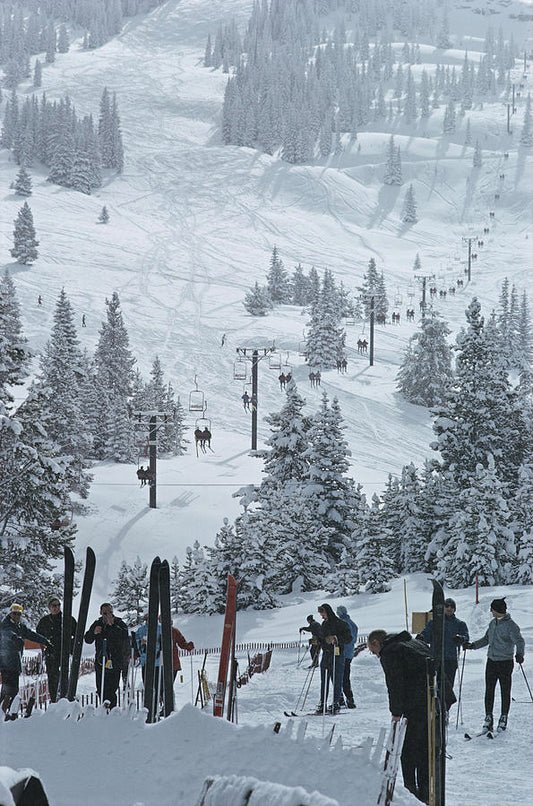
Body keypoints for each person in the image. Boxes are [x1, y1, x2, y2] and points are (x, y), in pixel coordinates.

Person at [367, 629, 433, 805]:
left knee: (409, 751)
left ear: (376, 643)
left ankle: (411, 792)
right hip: (431, 702)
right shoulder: (412, 643)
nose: (376, 656)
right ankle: (425, 793)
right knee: (425, 749)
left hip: (414, 705)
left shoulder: (391, 652)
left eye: (373, 652)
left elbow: (395, 684)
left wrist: (396, 713)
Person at [464, 597, 525, 733]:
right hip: (491, 661)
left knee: (505, 690)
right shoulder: (493, 623)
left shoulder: (511, 625)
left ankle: (503, 717)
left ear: (497, 610)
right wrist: (473, 645)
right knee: (489, 690)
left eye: (492, 609)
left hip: (505, 662)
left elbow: (520, 641)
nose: (491, 612)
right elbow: (486, 639)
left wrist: (520, 654)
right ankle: (488, 717)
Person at [0, 604, 50, 715]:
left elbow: (32, 635)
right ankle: (3, 711)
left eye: (19, 614)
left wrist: (45, 642)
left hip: (15, 663)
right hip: (6, 662)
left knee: (14, 689)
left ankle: (9, 712)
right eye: (15, 613)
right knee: (7, 689)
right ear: (10, 613)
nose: (17, 616)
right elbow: (6, 634)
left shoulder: (20, 627)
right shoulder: (5, 625)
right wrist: (15, 638)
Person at [418, 597, 469, 692]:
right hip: (435, 658)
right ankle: (436, 705)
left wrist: (461, 639)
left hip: (450, 659)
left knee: (448, 689)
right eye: (447, 606)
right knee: (434, 688)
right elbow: (426, 635)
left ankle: (445, 706)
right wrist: (421, 638)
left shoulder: (459, 624)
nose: (449, 609)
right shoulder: (434, 622)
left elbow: (466, 637)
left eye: (452, 607)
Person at [84, 603, 128, 709]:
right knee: (101, 689)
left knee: (112, 689)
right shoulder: (97, 623)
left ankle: (112, 711)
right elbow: (87, 639)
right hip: (101, 661)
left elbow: (124, 636)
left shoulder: (118, 622)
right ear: (100, 613)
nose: (108, 615)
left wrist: (112, 626)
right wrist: (93, 632)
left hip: (115, 661)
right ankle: (104, 710)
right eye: (105, 613)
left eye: (110, 612)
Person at [36, 596, 77, 702]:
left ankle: (66, 699)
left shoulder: (68, 619)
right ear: (49, 607)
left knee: (64, 678)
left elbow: (77, 635)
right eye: (54, 605)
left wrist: (71, 647)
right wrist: (44, 647)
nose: (57, 608)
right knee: (52, 679)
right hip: (51, 654)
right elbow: (38, 637)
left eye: (58, 605)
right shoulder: (44, 621)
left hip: (63, 653)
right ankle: (54, 700)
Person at [316, 603, 352, 714]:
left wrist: (336, 639)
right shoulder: (324, 624)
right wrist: (318, 640)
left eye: (323, 614)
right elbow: (323, 638)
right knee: (324, 679)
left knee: (337, 679)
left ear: (328, 612)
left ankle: (336, 702)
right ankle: (322, 703)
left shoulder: (341, 624)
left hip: (337, 654)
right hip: (326, 654)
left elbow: (349, 638)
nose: (322, 616)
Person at [336, 605, 358, 708]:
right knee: (346, 677)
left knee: (339, 676)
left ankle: (340, 698)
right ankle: (349, 698)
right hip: (349, 653)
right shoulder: (353, 624)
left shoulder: (342, 624)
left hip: (342, 653)